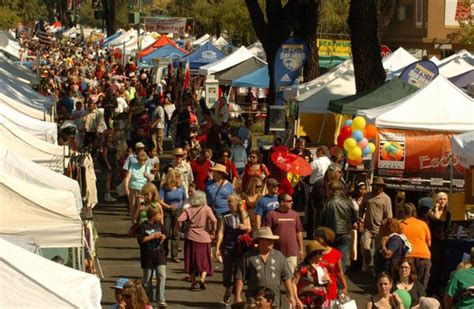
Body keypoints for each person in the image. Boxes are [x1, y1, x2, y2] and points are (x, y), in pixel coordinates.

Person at [234, 226, 297, 308]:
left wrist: (291, 295)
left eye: (272, 240)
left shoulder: (279, 256)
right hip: (254, 301)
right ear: (260, 240)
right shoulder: (248, 257)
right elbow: (240, 277)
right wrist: (238, 297)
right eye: (269, 240)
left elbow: (287, 278)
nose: (272, 242)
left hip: (274, 302)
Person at [215, 193, 251, 304]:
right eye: (228, 201)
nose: (228, 203)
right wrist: (217, 248)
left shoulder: (243, 214)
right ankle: (227, 288)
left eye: (230, 201)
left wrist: (245, 226)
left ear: (236, 202)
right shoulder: (224, 215)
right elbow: (220, 232)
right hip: (228, 246)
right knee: (227, 270)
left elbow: (249, 228)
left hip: (240, 246)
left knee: (238, 271)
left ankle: (236, 294)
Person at [177, 190, 217, 290]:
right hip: (204, 237)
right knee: (204, 260)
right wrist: (212, 231)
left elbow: (179, 220)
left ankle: (194, 282)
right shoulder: (206, 209)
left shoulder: (188, 210)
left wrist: (181, 229)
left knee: (191, 261)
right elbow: (214, 220)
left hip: (190, 237)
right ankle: (202, 279)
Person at [317, 180, 358, 272]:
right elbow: (355, 217)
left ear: (330, 190)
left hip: (328, 234)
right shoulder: (348, 202)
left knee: (327, 258)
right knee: (341, 259)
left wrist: (317, 235)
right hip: (345, 233)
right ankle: (339, 282)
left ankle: (330, 280)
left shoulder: (325, 203)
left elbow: (319, 222)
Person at [263, 193, 304, 273]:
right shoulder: (271, 215)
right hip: (275, 252)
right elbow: (266, 233)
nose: (292, 202)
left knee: (290, 277)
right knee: (275, 277)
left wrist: (301, 249)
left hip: (291, 251)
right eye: (289, 201)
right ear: (281, 202)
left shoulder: (295, 214)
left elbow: (298, 232)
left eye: (292, 201)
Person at [360, 177, 393, 273]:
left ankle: (376, 268)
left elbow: (389, 216)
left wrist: (386, 229)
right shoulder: (367, 196)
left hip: (380, 229)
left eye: (380, 186)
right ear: (373, 186)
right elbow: (361, 208)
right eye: (376, 186)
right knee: (365, 247)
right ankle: (366, 262)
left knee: (378, 252)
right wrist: (360, 219)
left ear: (382, 187)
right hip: (367, 228)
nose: (378, 188)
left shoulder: (386, 199)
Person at [136, 207, 167, 307]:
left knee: (161, 276)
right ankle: (149, 301)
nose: (161, 216)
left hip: (159, 255)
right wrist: (152, 236)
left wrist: (162, 236)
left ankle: (161, 300)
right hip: (147, 256)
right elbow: (141, 240)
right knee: (147, 280)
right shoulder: (143, 226)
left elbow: (165, 234)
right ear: (153, 216)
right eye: (159, 214)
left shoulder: (159, 225)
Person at [400, 202, 431, 290]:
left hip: (409, 256)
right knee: (422, 284)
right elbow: (429, 243)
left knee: (409, 283)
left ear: (403, 213)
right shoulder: (423, 224)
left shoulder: (401, 225)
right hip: (424, 256)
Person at [292, 240, 332, 309]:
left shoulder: (323, 266)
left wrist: (329, 280)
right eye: (320, 253)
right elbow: (293, 283)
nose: (322, 254)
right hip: (306, 301)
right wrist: (296, 299)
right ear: (313, 254)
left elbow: (328, 284)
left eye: (322, 252)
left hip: (321, 301)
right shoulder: (303, 268)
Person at [159, 169, 187, 263]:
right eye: (177, 177)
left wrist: (180, 207)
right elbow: (160, 200)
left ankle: (174, 255)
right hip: (167, 211)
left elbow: (184, 200)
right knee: (166, 232)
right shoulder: (164, 187)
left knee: (176, 233)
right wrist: (168, 206)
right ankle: (164, 253)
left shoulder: (181, 187)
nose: (179, 179)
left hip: (178, 211)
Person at [313, 227, 348, 301]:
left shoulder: (336, 254)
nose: (315, 241)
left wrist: (345, 286)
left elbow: (339, 272)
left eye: (317, 239)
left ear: (323, 239)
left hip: (331, 287)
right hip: (315, 288)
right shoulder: (313, 253)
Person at [427, 192, 451, 297]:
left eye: (445, 199)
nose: (442, 201)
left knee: (442, 264)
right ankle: (432, 289)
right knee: (435, 266)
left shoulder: (448, 214)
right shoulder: (431, 212)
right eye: (440, 199)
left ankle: (439, 288)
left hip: (443, 242)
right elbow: (436, 218)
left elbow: (447, 227)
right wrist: (436, 208)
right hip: (434, 242)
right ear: (436, 200)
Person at [124, 151, 153, 223]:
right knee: (133, 208)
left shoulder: (147, 167)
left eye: (144, 160)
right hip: (133, 189)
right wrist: (126, 188)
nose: (142, 162)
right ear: (138, 159)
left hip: (143, 190)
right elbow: (127, 178)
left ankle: (141, 225)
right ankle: (133, 226)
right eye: (141, 160)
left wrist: (148, 175)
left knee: (142, 208)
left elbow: (151, 179)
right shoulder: (133, 166)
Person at [101, 132, 118, 202]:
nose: (110, 138)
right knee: (108, 179)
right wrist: (108, 165)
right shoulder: (106, 146)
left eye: (111, 136)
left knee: (111, 179)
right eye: (109, 136)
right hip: (108, 164)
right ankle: (107, 194)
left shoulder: (113, 145)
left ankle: (109, 194)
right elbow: (104, 156)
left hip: (113, 163)